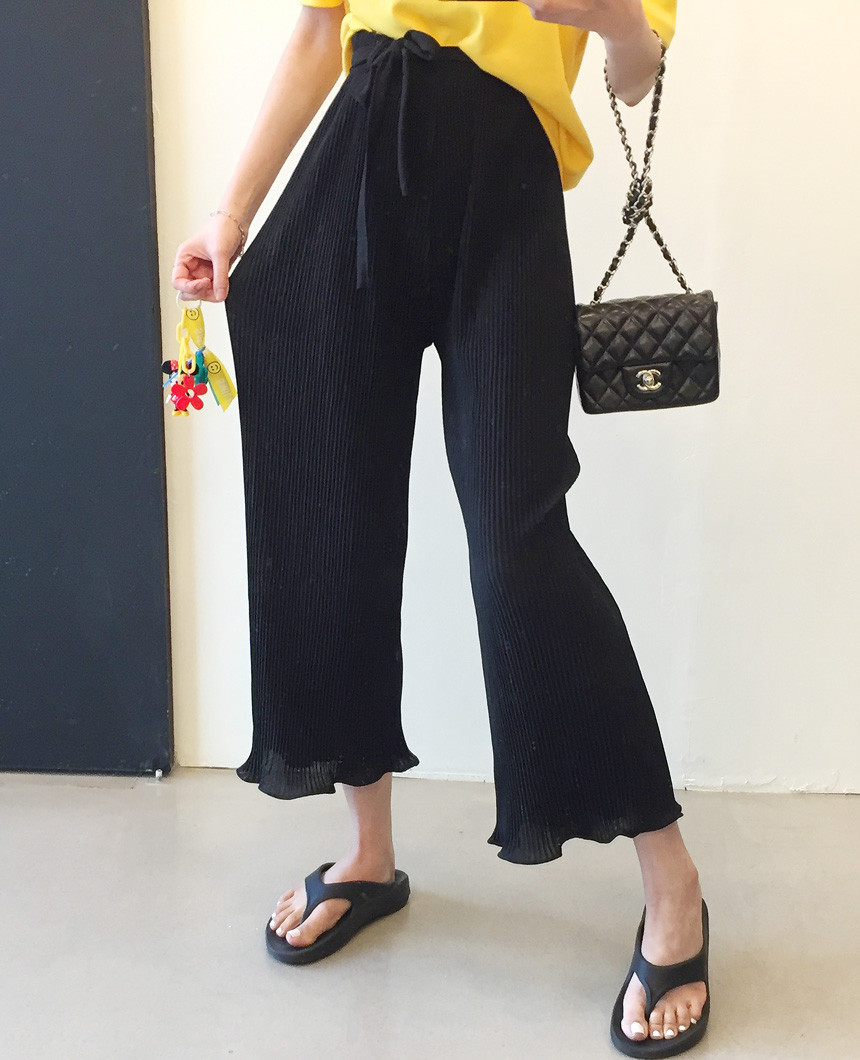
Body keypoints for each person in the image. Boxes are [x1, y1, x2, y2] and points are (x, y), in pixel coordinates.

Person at [172, 1, 709, 1055]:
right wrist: (231, 215)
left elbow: (637, 65)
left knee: (518, 543)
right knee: (326, 516)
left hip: (505, 183)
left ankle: (673, 882)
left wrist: (608, 19)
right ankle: (366, 854)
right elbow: (318, 29)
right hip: (354, 156)